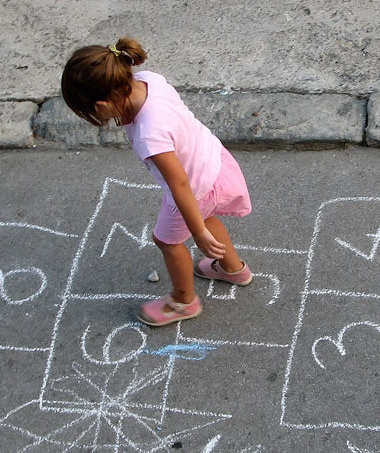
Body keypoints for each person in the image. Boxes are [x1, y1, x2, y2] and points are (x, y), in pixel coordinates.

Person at [61, 37, 253, 326]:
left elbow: (180, 186)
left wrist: (197, 233)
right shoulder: (148, 80)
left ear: (101, 105)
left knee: (166, 240)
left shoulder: (150, 135)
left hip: (196, 186)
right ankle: (233, 269)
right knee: (205, 217)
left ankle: (183, 301)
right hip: (213, 162)